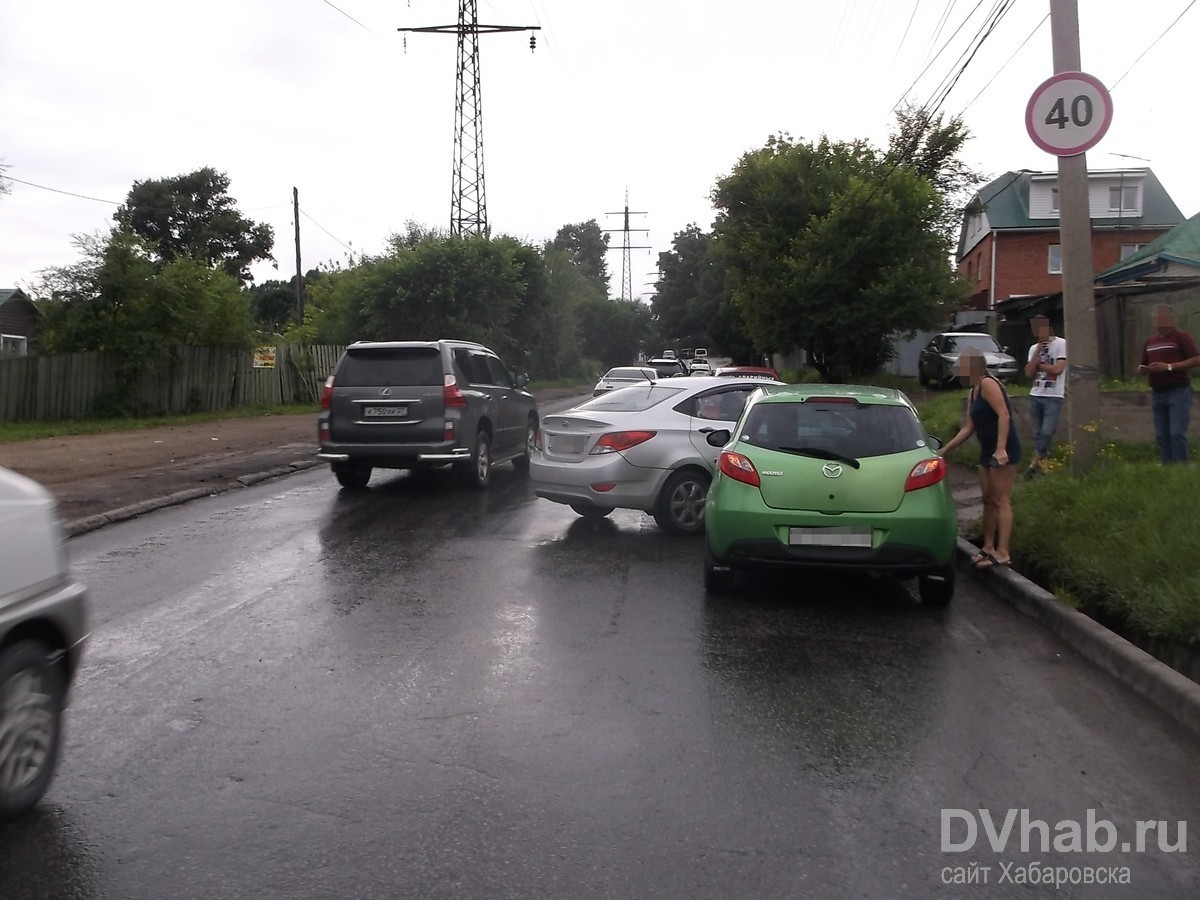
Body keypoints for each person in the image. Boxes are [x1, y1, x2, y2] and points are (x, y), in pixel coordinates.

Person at [937, 347, 1022, 568]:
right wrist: (945, 450)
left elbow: (1004, 414)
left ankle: (1003, 552)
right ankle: (988, 547)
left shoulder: (988, 384)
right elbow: (969, 427)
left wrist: (1001, 448)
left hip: (1003, 449)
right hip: (987, 450)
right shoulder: (974, 390)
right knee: (987, 499)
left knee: (1000, 500)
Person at [1140, 304, 1200, 464]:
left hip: (1178, 390)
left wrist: (1169, 367)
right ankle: (1168, 467)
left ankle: (1181, 467)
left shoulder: (1180, 337)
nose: (1159, 320)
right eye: (1156, 317)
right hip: (1158, 392)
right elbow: (1144, 364)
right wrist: (1144, 369)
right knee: (1162, 434)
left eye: (1163, 316)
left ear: (1171, 318)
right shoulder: (1150, 341)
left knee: (1177, 433)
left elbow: (1196, 359)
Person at [1023, 315, 1067, 476]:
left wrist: (1040, 366)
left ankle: (1034, 463)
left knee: (1048, 431)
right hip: (1036, 393)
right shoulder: (1033, 348)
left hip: (1054, 395)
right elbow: (1028, 372)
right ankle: (1045, 466)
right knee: (1037, 433)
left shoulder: (1061, 344)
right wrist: (1038, 352)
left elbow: (1058, 369)